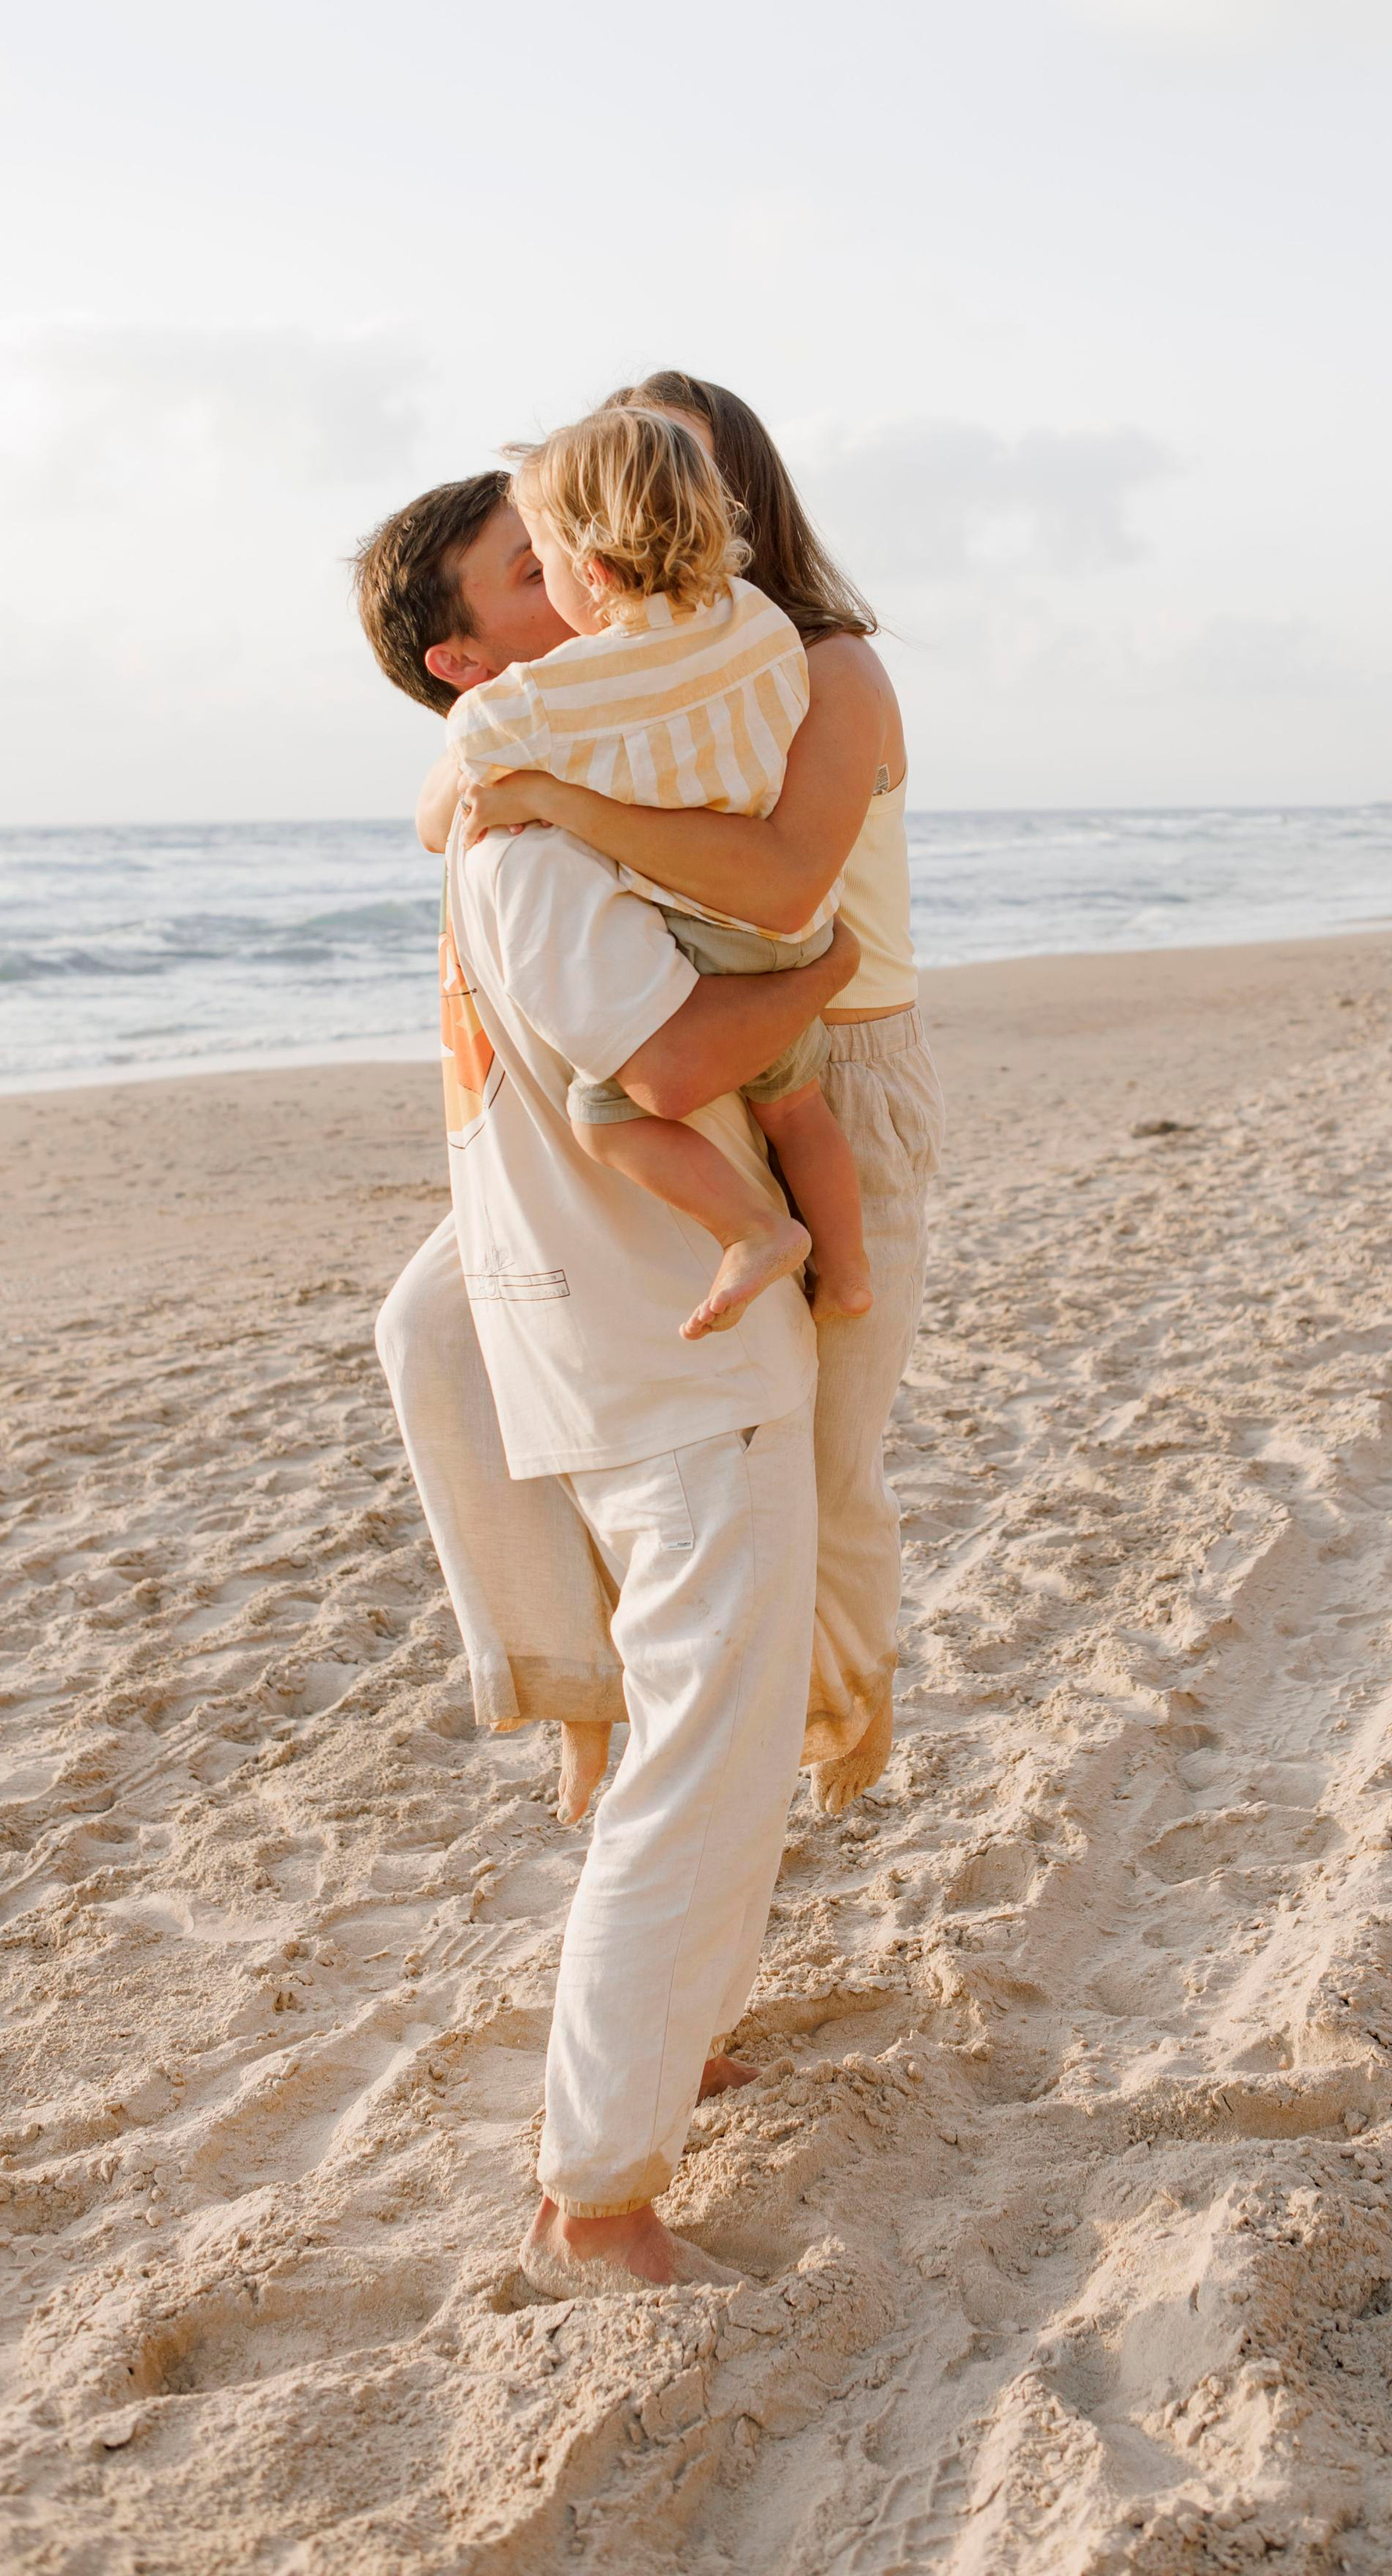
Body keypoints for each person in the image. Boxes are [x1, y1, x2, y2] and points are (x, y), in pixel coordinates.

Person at [355, 373, 940, 1832]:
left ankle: (833, 1718)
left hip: (826, 1054)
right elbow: (443, 801)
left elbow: (785, 887)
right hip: (677, 1046)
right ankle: (585, 1688)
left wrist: (553, 795)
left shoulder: (816, 664)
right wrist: (499, 759)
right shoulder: (612, 669)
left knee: (819, 1461)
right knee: (435, 1330)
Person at [424, 637, 853, 2285]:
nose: (578, 609)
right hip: (673, 1362)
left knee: (706, 1746)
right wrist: (824, 971)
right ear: (466, 655)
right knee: (702, 1769)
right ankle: (593, 2204)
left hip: (614, 1349)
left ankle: (666, 2056)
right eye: (532, 575)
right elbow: (671, 1067)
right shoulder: (532, 853)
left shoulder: (519, 832)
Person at [447, 402, 871, 1337]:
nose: (547, 580)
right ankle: (848, 1270)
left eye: (544, 561)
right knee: (799, 1112)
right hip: (791, 934)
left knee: (605, 1116)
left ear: (592, 573)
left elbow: (474, 745)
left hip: (706, 938)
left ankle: (756, 1229)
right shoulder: (755, 619)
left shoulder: (579, 689)